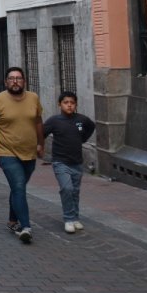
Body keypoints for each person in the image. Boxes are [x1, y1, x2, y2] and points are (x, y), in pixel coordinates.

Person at [0, 67, 44, 244]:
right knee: (18, 186)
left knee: (18, 187)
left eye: (18, 78)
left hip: (29, 153)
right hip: (6, 152)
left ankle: (12, 220)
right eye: (11, 78)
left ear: (24, 81)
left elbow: (38, 122)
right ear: (6, 82)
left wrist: (41, 144)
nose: (15, 81)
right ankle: (26, 227)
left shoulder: (33, 98)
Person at [44, 91, 96, 233]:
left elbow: (91, 126)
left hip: (77, 163)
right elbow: (41, 133)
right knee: (66, 189)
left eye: (72, 103)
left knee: (75, 191)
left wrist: (83, 138)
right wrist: (38, 146)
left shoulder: (81, 120)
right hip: (60, 162)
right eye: (66, 103)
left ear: (76, 105)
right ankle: (68, 219)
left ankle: (75, 218)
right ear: (60, 104)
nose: (69, 105)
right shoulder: (54, 121)